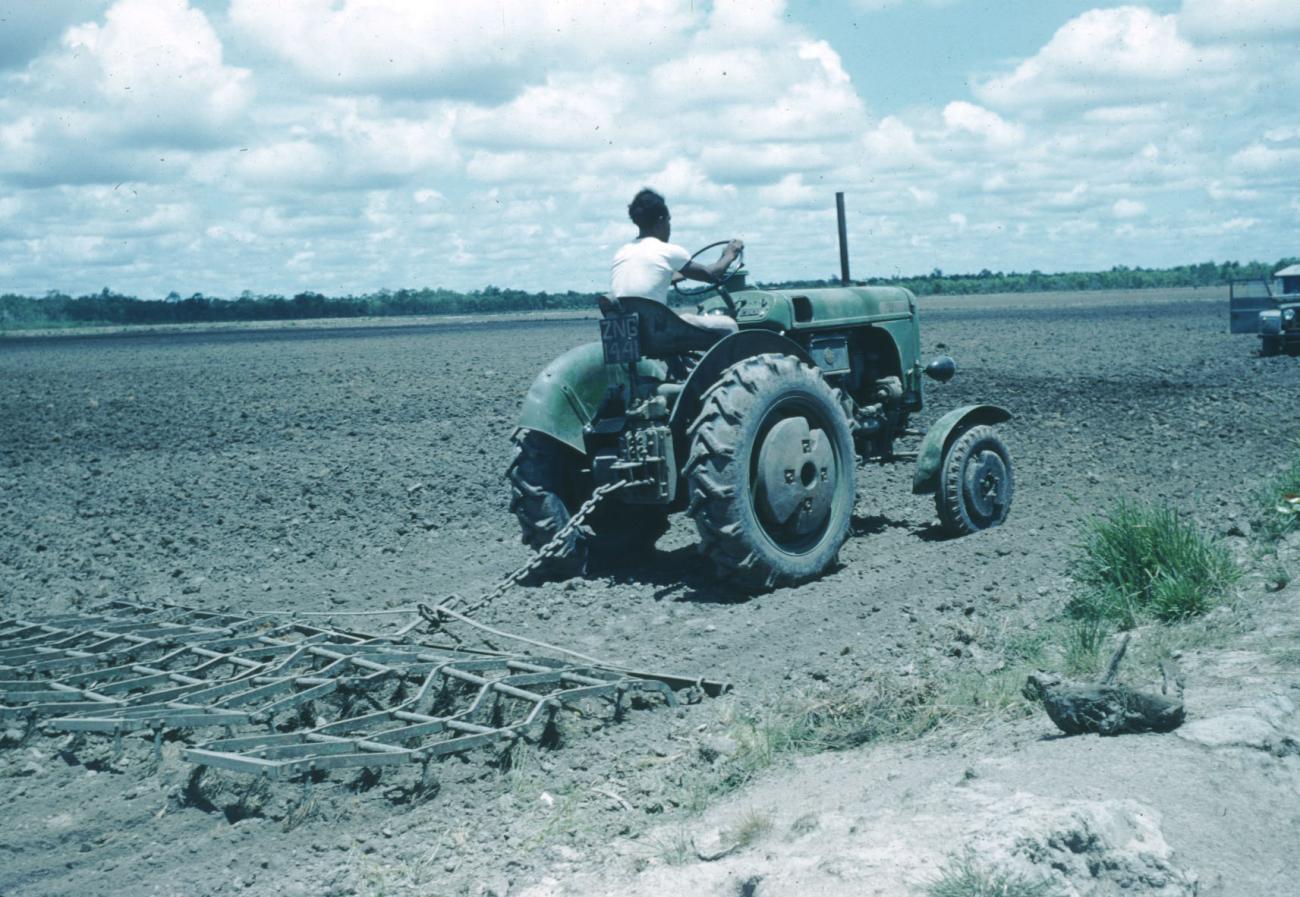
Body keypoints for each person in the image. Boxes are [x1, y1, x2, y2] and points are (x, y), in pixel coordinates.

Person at [610, 188, 743, 332]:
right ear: (661, 220)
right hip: (657, 332)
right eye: (669, 221)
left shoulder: (622, 252)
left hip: (628, 330)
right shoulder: (668, 251)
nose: (670, 228)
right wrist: (730, 255)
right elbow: (712, 275)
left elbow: (652, 275)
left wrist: (680, 276)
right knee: (729, 325)